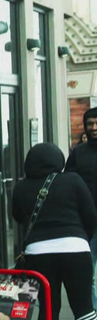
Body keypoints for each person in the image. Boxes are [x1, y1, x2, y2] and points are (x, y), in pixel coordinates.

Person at [13, 143, 97, 320]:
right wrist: (81, 237)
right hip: (75, 248)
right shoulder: (73, 180)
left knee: (48, 308)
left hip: (39, 252)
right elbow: (90, 215)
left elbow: (17, 217)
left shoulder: (21, 186)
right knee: (83, 307)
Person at [65, 107, 97, 309]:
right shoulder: (78, 153)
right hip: (88, 224)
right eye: (90, 123)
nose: (94, 127)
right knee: (88, 273)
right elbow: (67, 182)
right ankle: (92, 314)